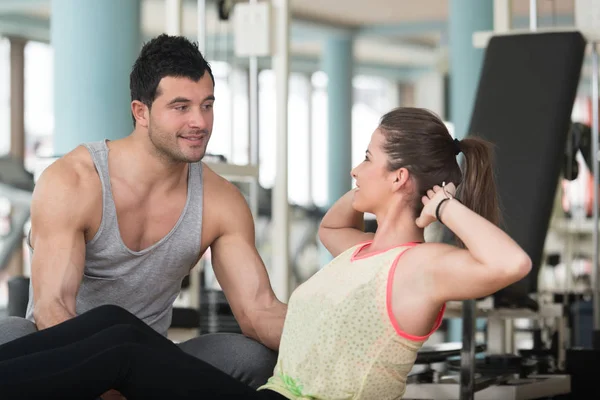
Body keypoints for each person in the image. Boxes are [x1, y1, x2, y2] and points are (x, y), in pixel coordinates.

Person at [0, 107, 532, 399]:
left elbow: (512, 264)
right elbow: (331, 223)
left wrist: (439, 205)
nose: (354, 168)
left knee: (125, 353)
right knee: (115, 324)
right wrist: (389, 193)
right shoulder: (363, 251)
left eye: (365, 157)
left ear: (398, 176)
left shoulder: (420, 269)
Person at [0, 34, 286, 392]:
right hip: (69, 361)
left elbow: (259, 310)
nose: (200, 121)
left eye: (207, 105)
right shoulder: (74, 181)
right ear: (141, 112)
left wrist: (336, 340)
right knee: (10, 334)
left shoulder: (221, 201)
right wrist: (107, 384)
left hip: (151, 364)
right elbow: (52, 309)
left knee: (250, 358)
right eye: (181, 107)